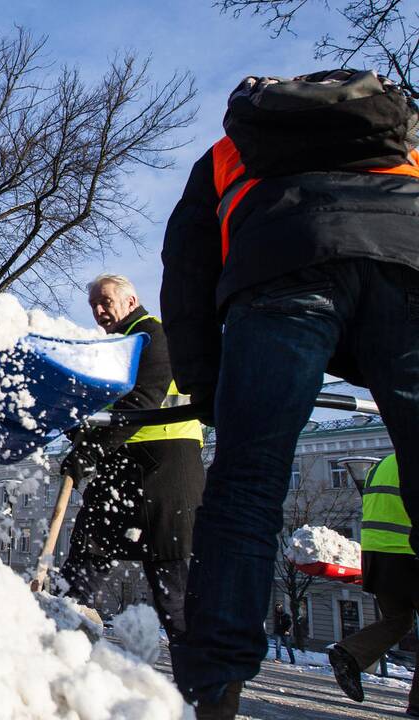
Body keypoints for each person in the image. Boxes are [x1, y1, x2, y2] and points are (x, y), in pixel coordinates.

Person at [159, 69, 419, 719]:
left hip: (281, 272)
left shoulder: (229, 154)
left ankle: (213, 688)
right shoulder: (405, 141)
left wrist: (206, 384)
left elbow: (186, 270)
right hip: (409, 267)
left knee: (246, 481)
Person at [58, 274, 205, 642]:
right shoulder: (114, 348)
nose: (99, 310)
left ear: (130, 301)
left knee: (171, 584)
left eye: (105, 301)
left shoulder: (153, 336)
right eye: (94, 304)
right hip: (121, 466)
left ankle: (203, 681)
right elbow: (102, 413)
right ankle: (58, 650)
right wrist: (68, 426)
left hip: (166, 470)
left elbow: (140, 404)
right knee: (81, 567)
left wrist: (88, 451)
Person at [328, 454, 419, 717]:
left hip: (377, 557)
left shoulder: (384, 463)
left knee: (398, 620)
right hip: (409, 554)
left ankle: (349, 652)